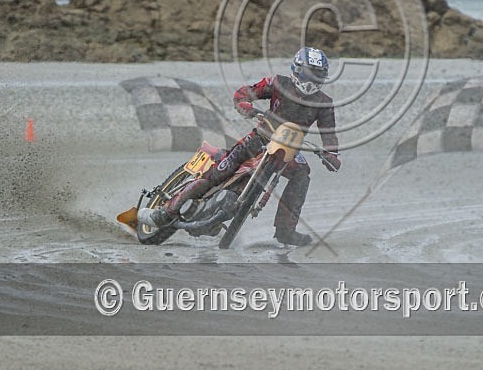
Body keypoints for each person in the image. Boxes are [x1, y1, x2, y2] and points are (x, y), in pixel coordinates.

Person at [143, 46, 341, 246]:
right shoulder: (278, 83)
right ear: (297, 69)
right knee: (221, 171)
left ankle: (285, 230)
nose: (311, 78)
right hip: (260, 138)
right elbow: (244, 93)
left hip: (289, 151)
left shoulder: (324, 103)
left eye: (317, 74)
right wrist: (246, 106)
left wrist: (331, 153)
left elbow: (329, 134)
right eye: (308, 72)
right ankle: (166, 212)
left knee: (301, 175)